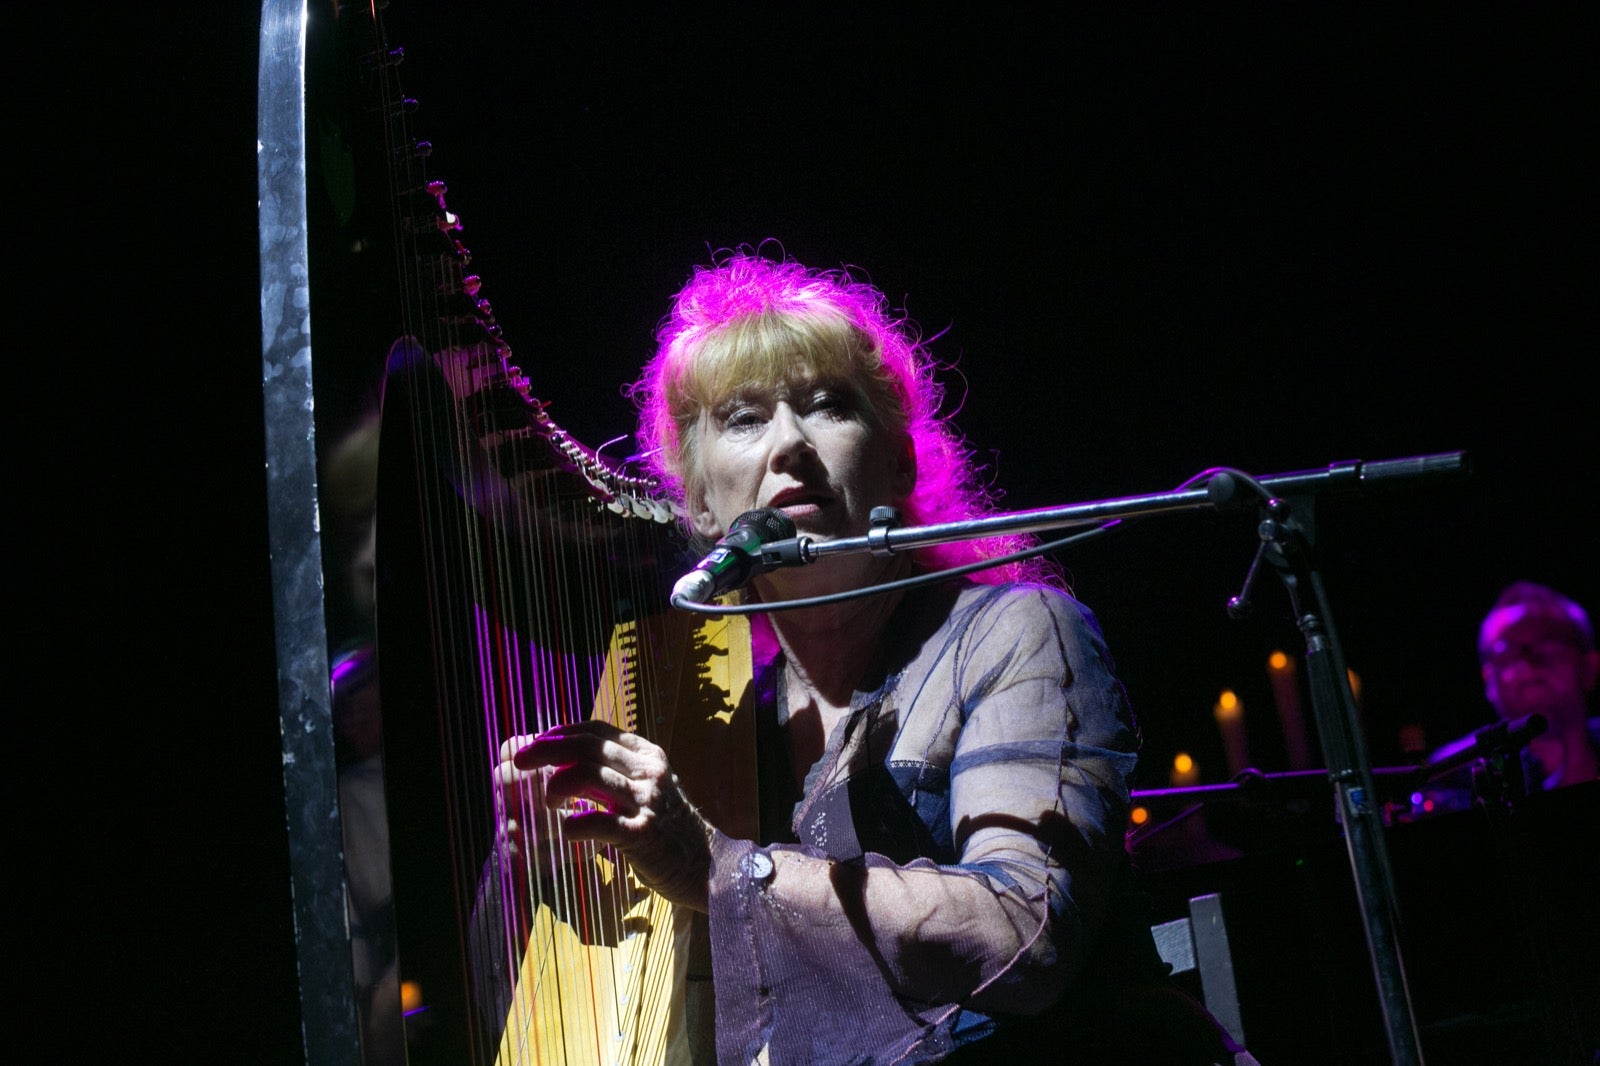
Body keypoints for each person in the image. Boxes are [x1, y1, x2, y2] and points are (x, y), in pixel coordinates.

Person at [492, 249, 1251, 1064]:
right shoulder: (725, 740)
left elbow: (1024, 941)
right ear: (700, 502)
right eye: (744, 418)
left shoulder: (1016, 632)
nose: (790, 445)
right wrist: (558, 865)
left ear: (899, 460)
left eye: (827, 405)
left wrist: (718, 868)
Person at [1477, 580, 1600, 793]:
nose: (1527, 665)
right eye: (1508, 654)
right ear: (1489, 680)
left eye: (1547, 650)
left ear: (1590, 666)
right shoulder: (1451, 778)